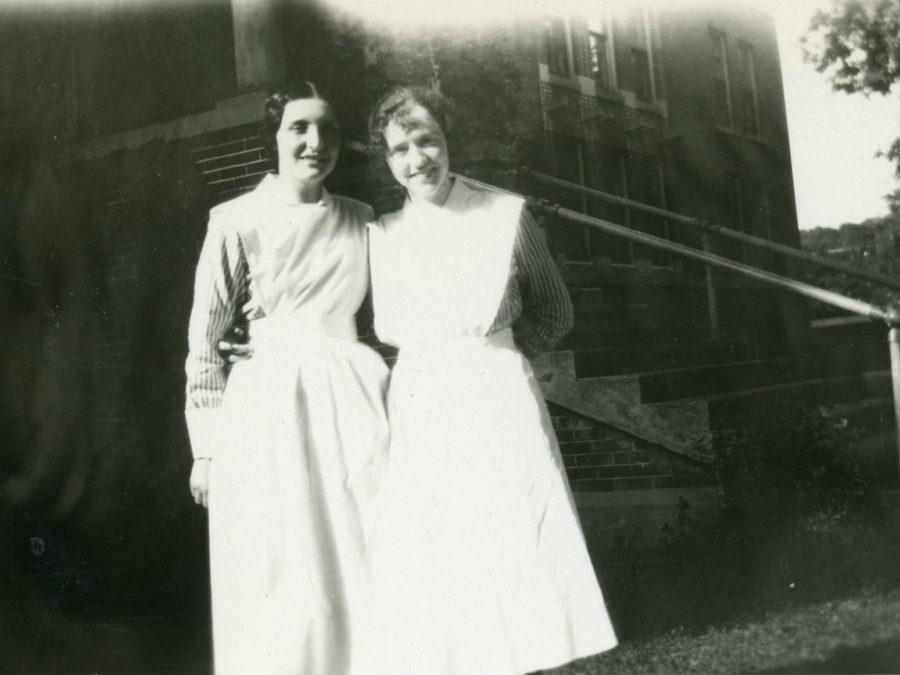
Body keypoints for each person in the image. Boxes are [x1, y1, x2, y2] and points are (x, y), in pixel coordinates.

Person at [361, 86, 618, 675]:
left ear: (448, 139)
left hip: (497, 394)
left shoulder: (505, 215)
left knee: (518, 546)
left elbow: (554, 311)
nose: (417, 158)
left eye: (427, 139)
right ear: (386, 159)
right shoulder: (382, 232)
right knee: (442, 559)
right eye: (400, 148)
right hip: (423, 404)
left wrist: (499, 358)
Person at [184, 81, 390, 675]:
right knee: (281, 566)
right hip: (268, 403)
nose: (315, 142)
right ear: (273, 137)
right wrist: (206, 451)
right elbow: (205, 343)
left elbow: (392, 311)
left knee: (363, 550)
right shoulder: (235, 220)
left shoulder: (363, 218)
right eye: (299, 128)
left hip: (352, 396)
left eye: (327, 129)